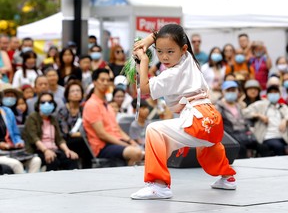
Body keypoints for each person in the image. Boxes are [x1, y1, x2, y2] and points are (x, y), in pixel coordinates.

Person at [130, 24, 236, 200]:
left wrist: (144, 61)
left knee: (154, 130)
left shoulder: (172, 74)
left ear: (183, 48)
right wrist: (148, 40)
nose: (164, 57)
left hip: (196, 119)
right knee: (207, 144)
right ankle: (228, 178)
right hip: (212, 120)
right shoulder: (189, 59)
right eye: (160, 51)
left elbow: (144, 87)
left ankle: (159, 185)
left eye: (170, 52)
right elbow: (171, 34)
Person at [82, 69, 143, 166]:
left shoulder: (108, 104)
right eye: (102, 80)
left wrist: (131, 142)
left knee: (144, 152)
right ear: (94, 82)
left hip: (116, 142)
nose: (105, 83)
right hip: (103, 146)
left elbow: (118, 129)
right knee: (136, 153)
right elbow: (102, 134)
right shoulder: (91, 105)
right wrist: (126, 145)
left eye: (108, 80)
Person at [22, 92, 79, 171]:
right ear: (38, 105)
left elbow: (59, 139)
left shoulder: (53, 119)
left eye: (49, 102)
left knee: (71, 159)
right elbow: (34, 138)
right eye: (43, 102)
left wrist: (67, 150)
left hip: (54, 150)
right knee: (52, 160)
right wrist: (46, 151)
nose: (46, 104)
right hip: (38, 151)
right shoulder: (32, 117)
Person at [216, 81, 266, 158]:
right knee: (241, 148)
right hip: (231, 134)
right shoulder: (219, 107)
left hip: (244, 133)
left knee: (262, 147)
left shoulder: (239, 106)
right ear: (223, 92)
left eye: (233, 90)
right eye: (228, 90)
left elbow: (245, 120)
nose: (231, 92)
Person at [0, 92, 41, 174]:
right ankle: (24, 186)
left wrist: (18, 142)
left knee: (36, 160)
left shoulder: (7, 111)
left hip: (12, 150)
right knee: (16, 164)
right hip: (1, 153)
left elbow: (15, 134)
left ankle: (32, 185)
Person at [243, 85, 288, 156]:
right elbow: (244, 112)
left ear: (279, 95)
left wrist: (285, 120)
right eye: (271, 92)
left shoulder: (283, 107)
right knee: (278, 146)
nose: (273, 94)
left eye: (275, 92)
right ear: (266, 95)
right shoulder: (261, 105)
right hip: (268, 137)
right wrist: (259, 115)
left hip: (283, 137)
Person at [58, 81, 92, 168]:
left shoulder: (84, 109)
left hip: (83, 141)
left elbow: (89, 128)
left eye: (78, 91)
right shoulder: (63, 110)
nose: (76, 93)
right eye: (72, 91)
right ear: (67, 95)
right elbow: (65, 132)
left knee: (86, 144)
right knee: (82, 142)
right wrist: (80, 134)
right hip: (67, 142)